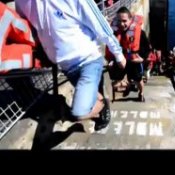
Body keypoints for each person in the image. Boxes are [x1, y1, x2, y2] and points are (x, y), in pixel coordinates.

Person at [15, 0, 126, 131]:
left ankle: (103, 106)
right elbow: (28, 27)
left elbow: (99, 24)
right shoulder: (22, 2)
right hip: (67, 68)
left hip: (88, 61)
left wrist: (118, 53)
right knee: (92, 96)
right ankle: (99, 104)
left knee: (78, 113)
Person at [106, 6, 145, 102]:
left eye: (124, 21)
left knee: (138, 80)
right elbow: (109, 47)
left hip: (133, 60)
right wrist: (110, 60)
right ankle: (125, 86)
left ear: (130, 20)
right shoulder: (113, 32)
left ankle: (141, 93)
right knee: (116, 80)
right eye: (119, 21)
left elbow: (146, 48)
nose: (121, 24)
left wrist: (142, 58)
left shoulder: (139, 32)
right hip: (119, 60)